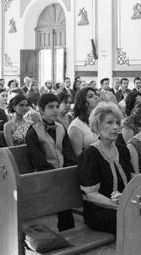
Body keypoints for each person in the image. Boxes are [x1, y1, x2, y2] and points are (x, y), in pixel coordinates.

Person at [78, 103, 133, 235]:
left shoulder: (123, 150)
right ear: (97, 126)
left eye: (117, 122)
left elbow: (132, 179)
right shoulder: (90, 155)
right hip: (99, 211)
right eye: (109, 122)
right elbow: (91, 195)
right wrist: (121, 205)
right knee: (134, 219)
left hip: (124, 205)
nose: (115, 127)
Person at [26, 93, 77, 231]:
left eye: (56, 106)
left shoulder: (60, 128)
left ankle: (68, 230)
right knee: (61, 195)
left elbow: (69, 153)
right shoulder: (33, 132)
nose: (55, 109)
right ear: (41, 110)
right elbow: (39, 161)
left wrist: (68, 169)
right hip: (44, 175)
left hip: (62, 173)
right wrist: (56, 174)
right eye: (50, 107)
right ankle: (65, 229)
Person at [68, 87, 100, 157]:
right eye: (91, 96)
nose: (96, 97)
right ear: (84, 102)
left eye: (96, 95)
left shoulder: (99, 120)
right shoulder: (76, 126)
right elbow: (78, 155)